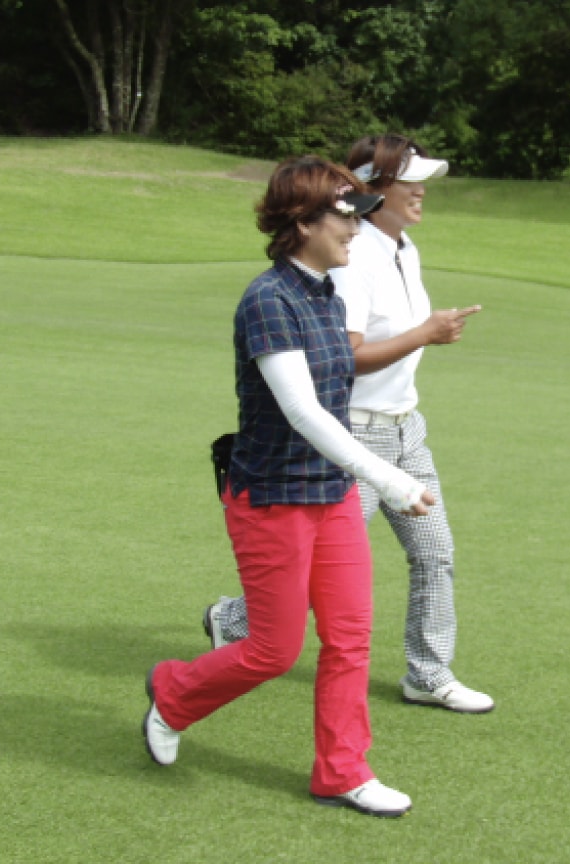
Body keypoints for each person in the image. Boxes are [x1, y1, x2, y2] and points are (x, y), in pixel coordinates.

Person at [143, 156, 436, 819]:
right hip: (272, 500)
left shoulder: (327, 293)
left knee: (350, 636)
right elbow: (303, 413)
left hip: (329, 495)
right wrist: (389, 478)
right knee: (272, 652)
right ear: (302, 222)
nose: (357, 229)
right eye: (345, 215)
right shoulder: (268, 300)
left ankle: (342, 771)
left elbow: (337, 403)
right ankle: (172, 693)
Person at [205, 134, 494, 714]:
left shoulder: (401, 247)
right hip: (353, 433)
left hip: (405, 426)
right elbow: (347, 354)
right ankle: (234, 618)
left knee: (435, 551)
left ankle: (428, 672)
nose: (420, 191)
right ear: (373, 187)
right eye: (409, 180)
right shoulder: (350, 257)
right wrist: (425, 334)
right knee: (320, 569)